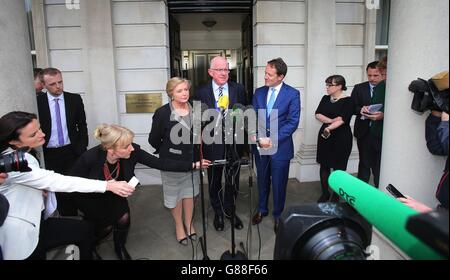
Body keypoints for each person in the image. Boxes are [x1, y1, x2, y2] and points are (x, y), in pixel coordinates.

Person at [0, 111, 134, 260]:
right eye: (33, 135)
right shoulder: (13, 163)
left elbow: (32, 181)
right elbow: (59, 181)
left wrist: (39, 190)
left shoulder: (24, 153)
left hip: (38, 220)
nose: (42, 134)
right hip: (21, 233)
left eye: (39, 128)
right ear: (15, 142)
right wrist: (108, 186)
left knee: (85, 230)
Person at [194, 56, 247, 231]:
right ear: (210, 72)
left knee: (233, 180)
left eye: (226, 69)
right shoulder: (201, 92)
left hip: (234, 142)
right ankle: (218, 213)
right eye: (219, 69)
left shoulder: (238, 89)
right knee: (215, 180)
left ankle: (230, 212)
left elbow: (244, 113)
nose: (224, 73)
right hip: (212, 143)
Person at [149, 77, 201, 246]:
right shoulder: (162, 113)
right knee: (175, 196)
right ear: (171, 93)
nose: (184, 93)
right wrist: (167, 150)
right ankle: (179, 226)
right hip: (171, 163)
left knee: (189, 194)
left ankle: (189, 223)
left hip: (192, 161)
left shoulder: (196, 109)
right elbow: (153, 140)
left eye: (186, 89)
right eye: (179, 91)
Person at [251, 58, 300, 232]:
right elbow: (253, 116)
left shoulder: (293, 94)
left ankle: (278, 215)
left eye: (269, 74)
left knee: (279, 183)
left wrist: (272, 139)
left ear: (281, 76)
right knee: (262, 179)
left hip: (280, 147)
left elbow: (292, 122)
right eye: (265, 73)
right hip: (260, 147)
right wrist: (255, 136)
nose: (265, 77)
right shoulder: (259, 92)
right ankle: (262, 209)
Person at [37, 67, 89, 216]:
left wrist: (82, 147)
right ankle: (66, 216)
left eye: (60, 82)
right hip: (49, 152)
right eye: (52, 84)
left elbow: (82, 125)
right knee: (57, 187)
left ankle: (75, 214)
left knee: (74, 184)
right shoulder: (37, 102)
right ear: (44, 84)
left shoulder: (74, 99)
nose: (58, 86)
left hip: (72, 151)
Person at [315, 75, 354, 202]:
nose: (327, 87)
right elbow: (318, 114)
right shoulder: (325, 98)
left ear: (339, 86)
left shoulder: (349, 100)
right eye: (327, 84)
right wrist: (331, 120)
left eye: (330, 85)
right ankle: (325, 193)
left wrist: (329, 127)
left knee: (339, 168)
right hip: (325, 136)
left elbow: (343, 120)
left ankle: (336, 195)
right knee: (324, 165)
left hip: (341, 137)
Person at [351, 61, 383, 183]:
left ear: (382, 74)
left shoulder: (388, 88)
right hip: (363, 132)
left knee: (378, 166)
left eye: (375, 75)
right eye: (369, 75)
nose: (372, 78)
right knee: (364, 164)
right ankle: (361, 196)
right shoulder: (359, 88)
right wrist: (361, 110)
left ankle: (379, 194)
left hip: (381, 133)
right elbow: (352, 107)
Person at [361, 57, 388, 188]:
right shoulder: (381, 86)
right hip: (374, 134)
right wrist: (367, 110)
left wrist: (384, 115)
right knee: (372, 166)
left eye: (383, 74)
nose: (383, 77)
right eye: (382, 74)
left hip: (387, 137)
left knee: (382, 171)